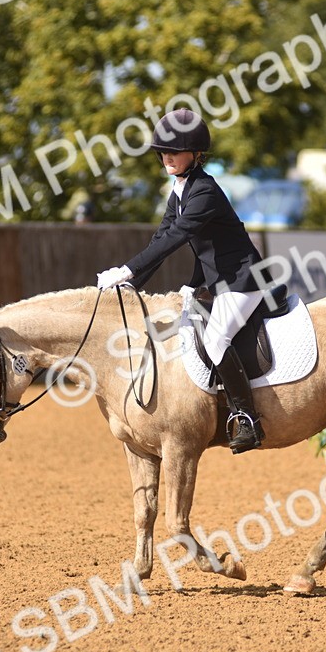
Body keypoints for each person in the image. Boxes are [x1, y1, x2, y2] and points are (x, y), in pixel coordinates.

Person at [96, 109, 275, 454]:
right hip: (216, 281)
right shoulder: (180, 190)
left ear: (196, 155)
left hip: (242, 281)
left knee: (217, 339)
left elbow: (176, 237)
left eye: (174, 152)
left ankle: (247, 418)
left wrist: (127, 270)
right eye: (162, 152)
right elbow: (159, 239)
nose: (167, 158)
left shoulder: (204, 191)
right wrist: (130, 282)